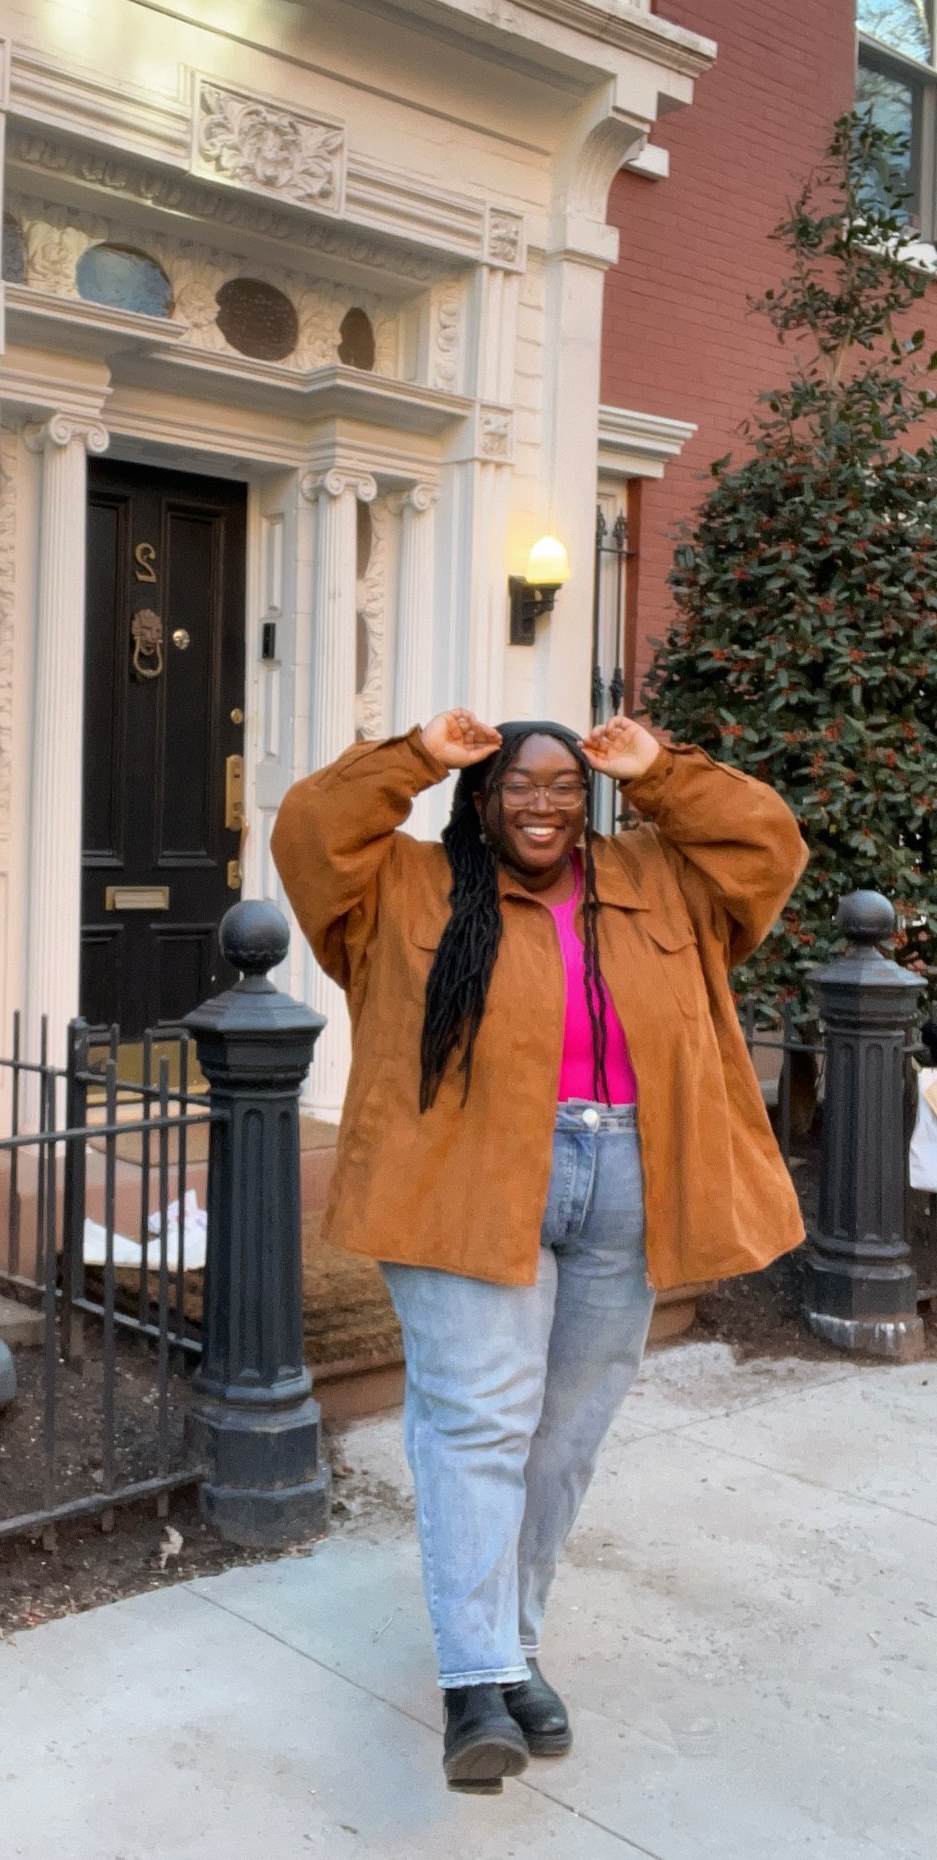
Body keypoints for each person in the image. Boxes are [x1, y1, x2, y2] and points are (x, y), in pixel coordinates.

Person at [271, 710, 807, 1796]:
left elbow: (768, 842)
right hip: (465, 1178)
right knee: (480, 1417)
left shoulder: (660, 880)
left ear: (590, 797)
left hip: (626, 1176)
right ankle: (475, 1685)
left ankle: (510, 1647)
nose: (542, 802)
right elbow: (311, 832)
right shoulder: (408, 889)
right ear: (482, 800)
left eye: (563, 784)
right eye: (518, 783)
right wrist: (418, 755)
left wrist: (662, 773)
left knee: (564, 1434)